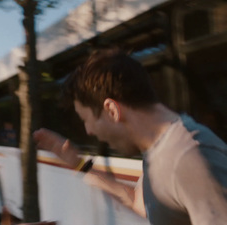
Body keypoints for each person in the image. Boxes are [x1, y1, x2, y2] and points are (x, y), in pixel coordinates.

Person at [33, 49, 227, 225]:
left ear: (111, 110)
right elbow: (138, 202)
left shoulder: (190, 157)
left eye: (86, 119)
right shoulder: (158, 150)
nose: (88, 131)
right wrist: (79, 164)